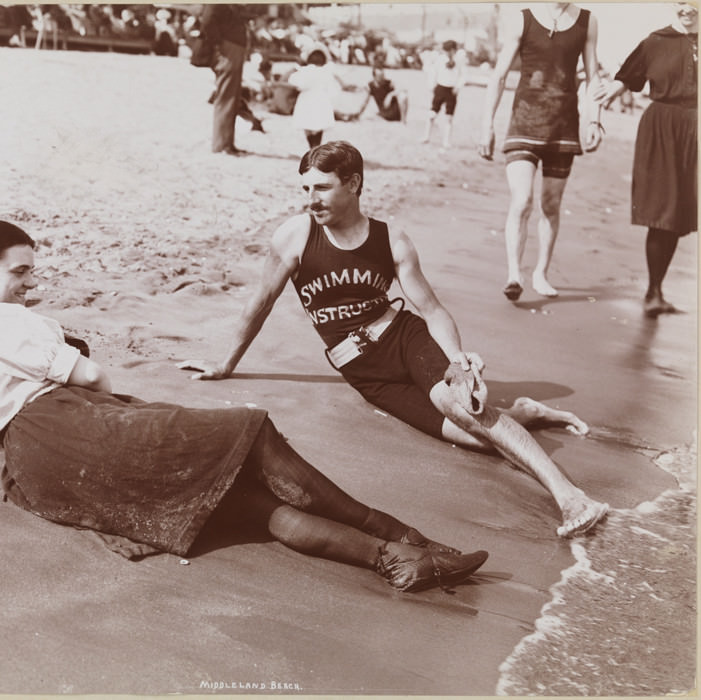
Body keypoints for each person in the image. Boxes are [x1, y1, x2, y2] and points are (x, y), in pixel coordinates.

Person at [0, 218, 488, 594]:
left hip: (39, 469)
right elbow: (95, 377)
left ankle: (392, 559)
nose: (30, 283)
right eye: (20, 272)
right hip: (67, 426)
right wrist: (104, 398)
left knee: (246, 503)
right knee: (251, 433)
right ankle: (404, 537)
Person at [179, 141, 609, 539]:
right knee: (470, 435)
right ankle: (523, 413)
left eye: (323, 188)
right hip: (365, 373)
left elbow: (432, 309)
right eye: (306, 188)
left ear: (354, 184)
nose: (311, 199)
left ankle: (570, 496)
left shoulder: (391, 240)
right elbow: (260, 303)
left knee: (454, 403)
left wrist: (457, 359)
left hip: (405, 338)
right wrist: (225, 364)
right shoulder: (294, 235)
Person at [478, 3, 604, 301]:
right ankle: (513, 273)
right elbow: (499, 75)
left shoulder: (587, 21)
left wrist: (595, 119)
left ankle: (541, 273)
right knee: (522, 200)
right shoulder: (523, 19)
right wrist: (487, 125)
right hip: (524, 122)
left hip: (563, 125)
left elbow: (593, 75)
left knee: (550, 204)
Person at [592, 3, 697, 317]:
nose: (686, 9)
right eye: (680, 3)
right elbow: (626, 79)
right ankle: (654, 292)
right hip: (662, 129)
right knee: (664, 211)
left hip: (696, 129)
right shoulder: (655, 41)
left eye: (692, 2)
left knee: (682, 216)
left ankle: (656, 291)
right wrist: (600, 104)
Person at [199, 4, 249, 155]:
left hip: (231, 49)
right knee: (226, 96)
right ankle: (221, 145)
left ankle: (227, 143)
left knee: (232, 97)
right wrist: (219, 43)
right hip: (228, 50)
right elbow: (207, 21)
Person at [287, 45, 347, 149]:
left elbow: (294, 82)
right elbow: (332, 90)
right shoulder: (326, 71)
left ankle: (312, 147)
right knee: (318, 125)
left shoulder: (305, 71)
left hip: (306, 99)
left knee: (307, 125)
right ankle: (316, 146)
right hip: (321, 99)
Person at [421, 40, 464, 147]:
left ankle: (446, 141)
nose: (447, 53)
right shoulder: (440, 60)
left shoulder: (459, 61)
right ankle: (426, 136)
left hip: (451, 90)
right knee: (432, 114)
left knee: (449, 117)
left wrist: (458, 87)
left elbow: (463, 75)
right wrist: (432, 86)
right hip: (440, 88)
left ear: (453, 50)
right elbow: (433, 72)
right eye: (446, 51)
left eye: (449, 51)